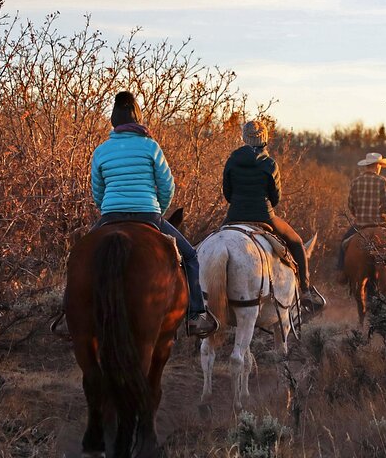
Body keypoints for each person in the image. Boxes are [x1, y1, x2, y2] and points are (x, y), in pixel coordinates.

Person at [90, 91, 219, 338]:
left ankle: (66, 315)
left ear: (113, 121)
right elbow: (167, 185)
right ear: (137, 119)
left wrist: (108, 209)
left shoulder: (102, 150)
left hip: (110, 215)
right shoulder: (150, 146)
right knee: (190, 256)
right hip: (148, 215)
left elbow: (98, 189)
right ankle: (196, 316)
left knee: (78, 256)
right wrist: (157, 210)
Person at [222, 120, 317, 302]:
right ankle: (305, 291)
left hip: (234, 216)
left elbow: (227, 193)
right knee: (297, 243)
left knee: (207, 246)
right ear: (264, 139)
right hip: (264, 216)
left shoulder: (232, 161)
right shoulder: (270, 164)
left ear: (244, 138)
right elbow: (276, 198)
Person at [336, 152, 386, 271]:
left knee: (344, 243)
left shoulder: (356, 182)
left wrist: (359, 216)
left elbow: (351, 205)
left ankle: (341, 271)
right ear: (377, 166)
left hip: (360, 226)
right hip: (381, 225)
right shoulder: (383, 181)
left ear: (367, 165)